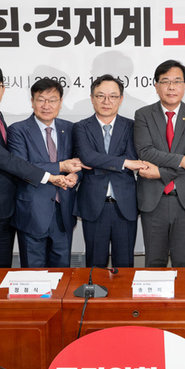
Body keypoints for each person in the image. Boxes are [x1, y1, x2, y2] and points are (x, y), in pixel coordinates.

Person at [0, 62, 68, 268]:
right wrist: (51, 175)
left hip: (4, 211)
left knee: (2, 273)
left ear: (3, 88)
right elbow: (8, 161)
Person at [133, 59, 185, 267]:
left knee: (184, 263)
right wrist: (182, 160)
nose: (171, 87)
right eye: (165, 81)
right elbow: (146, 152)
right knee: (154, 263)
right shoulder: (143, 115)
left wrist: (160, 173)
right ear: (156, 86)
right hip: (153, 200)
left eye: (177, 81)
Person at [7, 78, 87, 268]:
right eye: (41, 100)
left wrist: (75, 176)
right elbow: (22, 166)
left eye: (52, 100)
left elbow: (80, 162)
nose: (46, 105)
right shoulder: (18, 130)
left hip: (63, 212)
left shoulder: (70, 128)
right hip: (32, 213)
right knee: (34, 275)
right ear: (32, 102)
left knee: (62, 273)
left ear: (60, 102)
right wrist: (61, 167)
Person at [73, 75, 147, 268]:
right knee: (95, 266)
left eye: (113, 96)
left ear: (121, 99)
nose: (107, 101)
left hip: (125, 205)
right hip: (94, 205)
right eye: (101, 96)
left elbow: (133, 156)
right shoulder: (81, 127)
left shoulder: (132, 126)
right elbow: (87, 157)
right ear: (92, 98)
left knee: (125, 266)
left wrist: (104, 162)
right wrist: (125, 163)